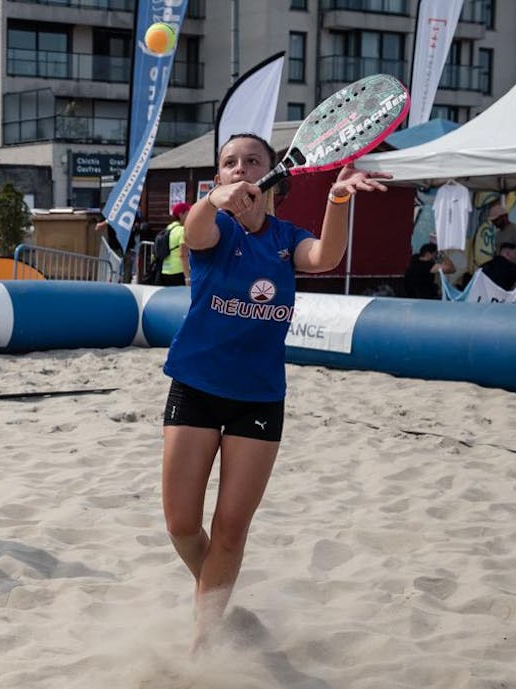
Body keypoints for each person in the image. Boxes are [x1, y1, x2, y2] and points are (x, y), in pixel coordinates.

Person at [163, 133, 392, 649]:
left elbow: (327, 255)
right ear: (218, 178)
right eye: (229, 163)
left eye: (252, 161)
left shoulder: (287, 239)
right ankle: (219, 598)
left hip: (259, 399)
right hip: (195, 386)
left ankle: (204, 638)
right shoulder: (211, 229)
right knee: (181, 525)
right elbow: (192, 231)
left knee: (229, 532)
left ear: (273, 178)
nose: (241, 168)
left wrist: (338, 199)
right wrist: (210, 202)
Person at [159, 202, 191, 287]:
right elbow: (183, 255)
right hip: (178, 271)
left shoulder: (169, 228)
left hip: (165, 270)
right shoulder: (182, 230)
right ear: (181, 214)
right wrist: (187, 277)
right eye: (188, 213)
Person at [489, 203, 516, 270]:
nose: (494, 223)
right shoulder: (498, 233)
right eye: (493, 221)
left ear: (504, 217)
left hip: (513, 269)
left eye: (496, 220)